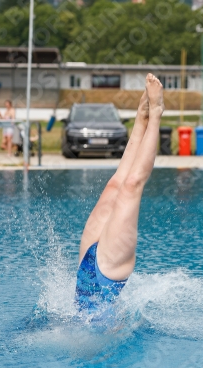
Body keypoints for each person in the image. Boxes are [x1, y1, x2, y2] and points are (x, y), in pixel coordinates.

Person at [75, 74, 165, 313]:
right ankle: (155, 112)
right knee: (131, 186)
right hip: (107, 275)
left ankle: (140, 117)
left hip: (85, 269)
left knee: (114, 186)